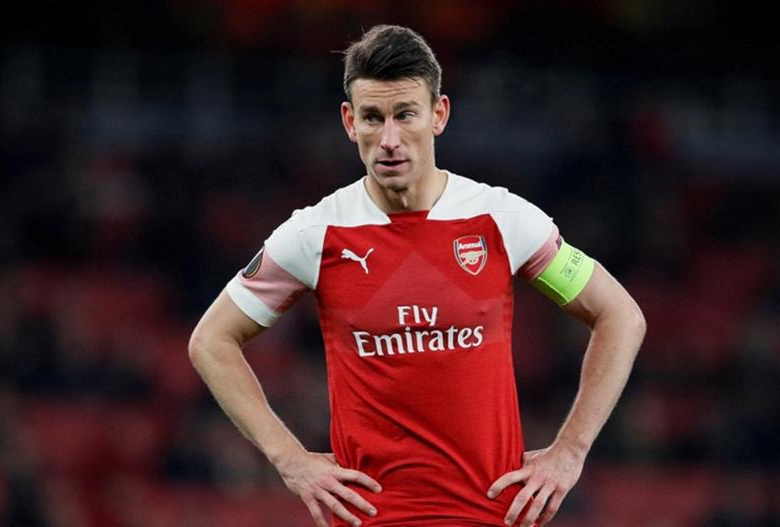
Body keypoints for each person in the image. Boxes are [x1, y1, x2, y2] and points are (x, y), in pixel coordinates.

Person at [189, 24, 646, 527]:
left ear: (438, 115)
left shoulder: (501, 219)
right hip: (371, 518)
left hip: (491, 515)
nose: (389, 140)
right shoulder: (315, 233)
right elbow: (211, 341)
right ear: (349, 121)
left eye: (405, 114)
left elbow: (620, 316)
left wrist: (570, 452)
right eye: (372, 117)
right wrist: (290, 460)